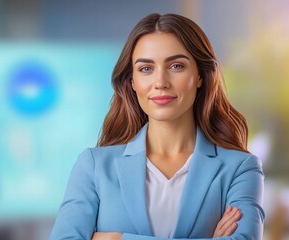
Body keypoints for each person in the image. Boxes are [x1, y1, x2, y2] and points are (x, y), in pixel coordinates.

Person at [50, 13, 264, 240]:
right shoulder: (93, 167)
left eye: (176, 66)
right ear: (132, 81)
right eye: (145, 69)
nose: (160, 82)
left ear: (200, 75)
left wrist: (119, 239)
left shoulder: (240, 169)